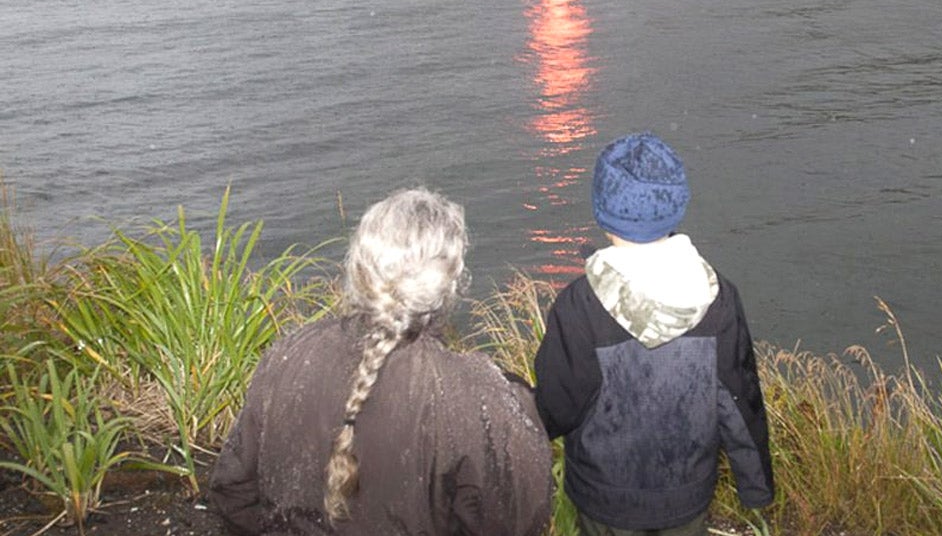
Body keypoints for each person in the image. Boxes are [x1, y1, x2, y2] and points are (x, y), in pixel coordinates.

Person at [209, 187, 553, 536]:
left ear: (358, 268)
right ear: (451, 282)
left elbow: (232, 490)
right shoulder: (476, 395)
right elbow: (518, 517)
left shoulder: (286, 357)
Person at [533, 132, 774, 536]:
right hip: (687, 496)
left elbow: (556, 406)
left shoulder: (579, 304)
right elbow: (740, 401)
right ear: (676, 204)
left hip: (603, 498)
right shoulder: (718, 298)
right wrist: (756, 488)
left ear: (601, 209)